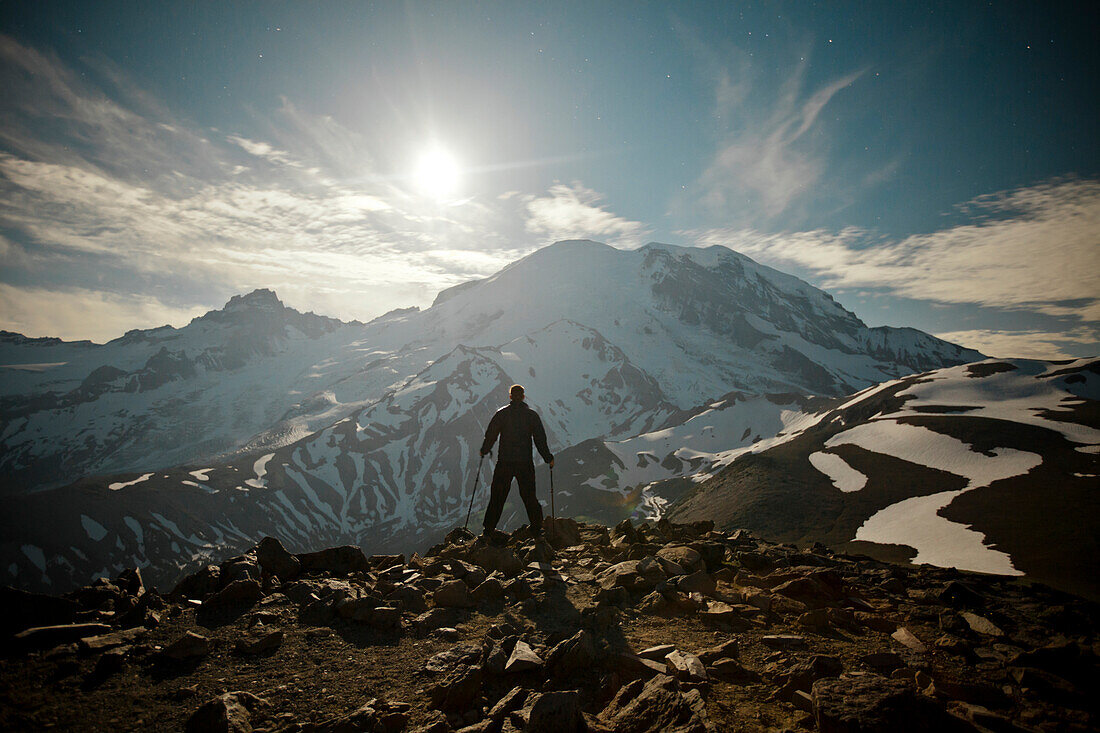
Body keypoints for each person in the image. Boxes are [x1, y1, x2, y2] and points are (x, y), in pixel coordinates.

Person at [480, 384, 554, 538]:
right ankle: (536, 527)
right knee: (529, 496)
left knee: (498, 496)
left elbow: (491, 435)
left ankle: (488, 530)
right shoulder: (531, 416)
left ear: (510, 396)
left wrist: (485, 450)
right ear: (523, 397)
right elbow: (540, 439)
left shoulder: (501, 414)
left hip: (505, 462)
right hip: (524, 462)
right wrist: (548, 458)